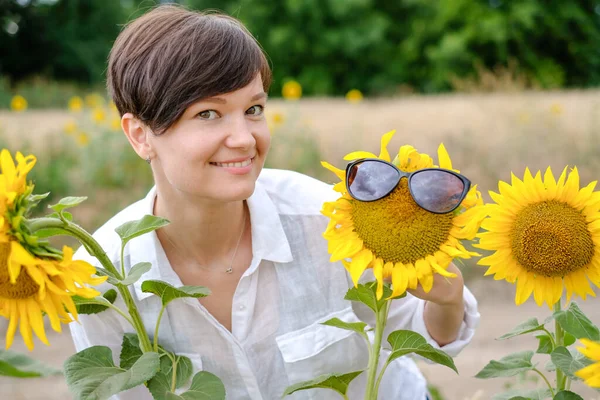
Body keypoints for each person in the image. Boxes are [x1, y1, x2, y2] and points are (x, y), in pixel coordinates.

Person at [69, 5, 479, 400]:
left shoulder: (332, 221)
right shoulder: (102, 280)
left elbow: (424, 338)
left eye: (253, 109)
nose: (245, 138)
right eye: (208, 114)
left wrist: (448, 297)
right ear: (140, 135)